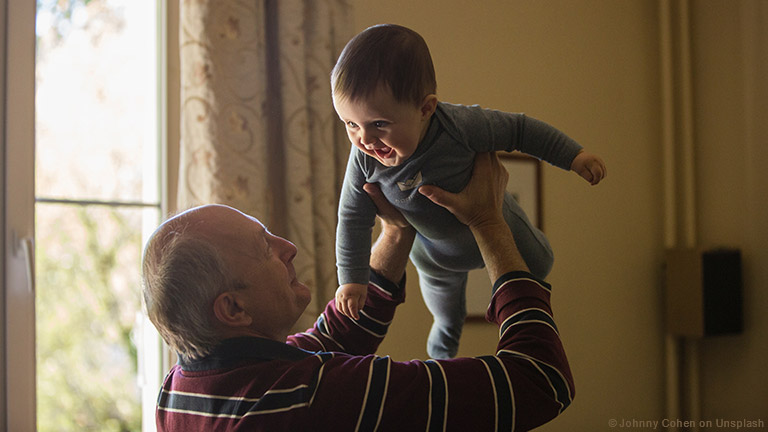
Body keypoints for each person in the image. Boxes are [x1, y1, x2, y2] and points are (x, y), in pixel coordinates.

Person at [142, 152, 574, 431]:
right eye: (265, 248)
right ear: (233, 309)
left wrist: (396, 230)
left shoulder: (180, 390)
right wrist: (488, 222)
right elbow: (539, 381)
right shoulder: (314, 399)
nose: (288, 248)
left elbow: (333, 338)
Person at [332, 23, 606, 359]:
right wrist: (352, 279)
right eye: (350, 124)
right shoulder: (363, 159)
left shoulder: (460, 126)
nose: (365, 139)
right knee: (446, 315)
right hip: (434, 256)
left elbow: (520, 129)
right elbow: (352, 217)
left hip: (497, 221)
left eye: (379, 124)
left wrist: (574, 156)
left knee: (541, 264)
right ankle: (442, 357)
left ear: (425, 109)